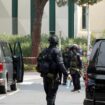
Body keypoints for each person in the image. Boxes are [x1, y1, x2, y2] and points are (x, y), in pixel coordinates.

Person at [42, 35, 68, 105]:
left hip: (45, 76)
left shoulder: (44, 51)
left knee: (48, 95)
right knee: (51, 96)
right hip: (54, 77)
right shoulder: (57, 51)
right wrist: (66, 73)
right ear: (56, 42)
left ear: (49, 42)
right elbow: (60, 64)